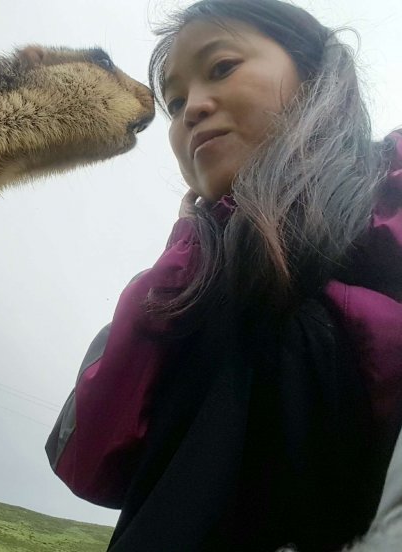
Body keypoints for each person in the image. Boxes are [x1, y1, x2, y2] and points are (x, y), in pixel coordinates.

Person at [46, 1, 402, 550]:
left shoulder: (389, 208)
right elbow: (91, 456)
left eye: (221, 67)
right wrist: (185, 257)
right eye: (176, 100)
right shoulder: (178, 285)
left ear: (313, 74)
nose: (192, 110)